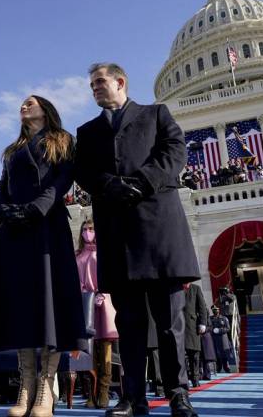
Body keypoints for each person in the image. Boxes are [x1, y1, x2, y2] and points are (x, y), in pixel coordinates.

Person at [74, 62, 200, 417]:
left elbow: (174, 153)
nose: (95, 88)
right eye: (92, 85)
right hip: (117, 236)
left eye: (100, 82)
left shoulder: (156, 114)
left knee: (169, 322)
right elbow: (82, 170)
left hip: (159, 232)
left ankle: (178, 394)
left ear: (120, 81)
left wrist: (142, 181)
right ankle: (132, 398)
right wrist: (108, 185)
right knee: (128, 324)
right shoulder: (87, 131)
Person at [0, 95, 88, 417]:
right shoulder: (12, 150)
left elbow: (63, 180)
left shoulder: (63, 140)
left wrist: (37, 208)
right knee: (21, 305)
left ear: (46, 109)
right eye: (22, 103)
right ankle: (26, 384)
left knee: (48, 303)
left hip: (47, 227)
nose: (24, 105)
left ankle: (46, 387)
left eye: (31, 102)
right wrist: (4, 212)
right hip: (15, 231)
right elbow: (3, 185)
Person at [75, 219, 118, 409]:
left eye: (91, 228)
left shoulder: (104, 252)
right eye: (85, 229)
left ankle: (103, 392)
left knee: (105, 348)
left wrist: (102, 292)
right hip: (84, 305)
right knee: (87, 351)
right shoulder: (77, 255)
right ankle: (90, 394)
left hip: (102, 303)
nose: (88, 232)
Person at [183, 283, 208, 388]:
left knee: (194, 355)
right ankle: (183, 380)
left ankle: (195, 378)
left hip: (192, 326)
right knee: (180, 356)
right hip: (178, 326)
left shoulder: (195, 288)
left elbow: (202, 307)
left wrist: (203, 323)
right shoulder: (175, 287)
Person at [209, 306, 231, 373]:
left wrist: (219, 330)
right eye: (214, 310)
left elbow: (228, 328)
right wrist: (212, 330)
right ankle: (219, 367)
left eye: (216, 309)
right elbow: (208, 327)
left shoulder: (224, 318)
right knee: (216, 353)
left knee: (224, 353)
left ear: (219, 310)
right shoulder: (210, 319)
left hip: (222, 338)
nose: (215, 311)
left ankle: (226, 367)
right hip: (214, 338)